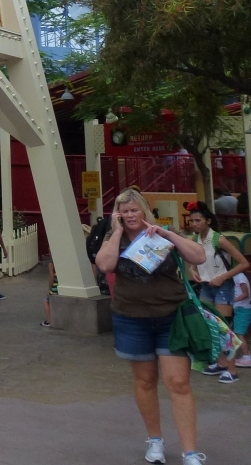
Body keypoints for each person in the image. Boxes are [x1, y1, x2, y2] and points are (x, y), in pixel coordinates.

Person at [95, 187, 209, 465]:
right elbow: (104, 264)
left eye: (134, 209)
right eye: (124, 211)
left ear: (144, 209)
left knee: (178, 382)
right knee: (145, 381)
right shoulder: (114, 238)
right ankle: (155, 440)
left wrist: (167, 235)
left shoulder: (164, 233)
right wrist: (118, 232)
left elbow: (198, 256)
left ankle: (190, 452)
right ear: (117, 215)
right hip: (131, 318)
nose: (130, 215)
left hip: (170, 316)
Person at [187, 202, 248, 382]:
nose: (194, 224)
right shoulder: (195, 239)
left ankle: (232, 369)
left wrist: (222, 277)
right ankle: (220, 362)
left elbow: (243, 263)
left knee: (223, 328)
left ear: (208, 221)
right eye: (192, 221)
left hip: (223, 286)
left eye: (198, 220)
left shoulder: (218, 239)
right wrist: (193, 270)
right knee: (210, 326)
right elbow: (194, 260)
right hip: (206, 286)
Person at [232, 271, 250, 369]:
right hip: (240, 309)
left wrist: (233, 300)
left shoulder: (239, 276)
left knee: (239, 334)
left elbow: (245, 293)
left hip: (243, 309)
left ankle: (247, 357)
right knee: (239, 333)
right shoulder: (237, 276)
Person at [41, 261, 57, 327]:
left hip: (55, 287)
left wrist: (49, 288)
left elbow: (51, 277)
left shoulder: (51, 263)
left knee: (46, 301)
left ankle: (48, 321)